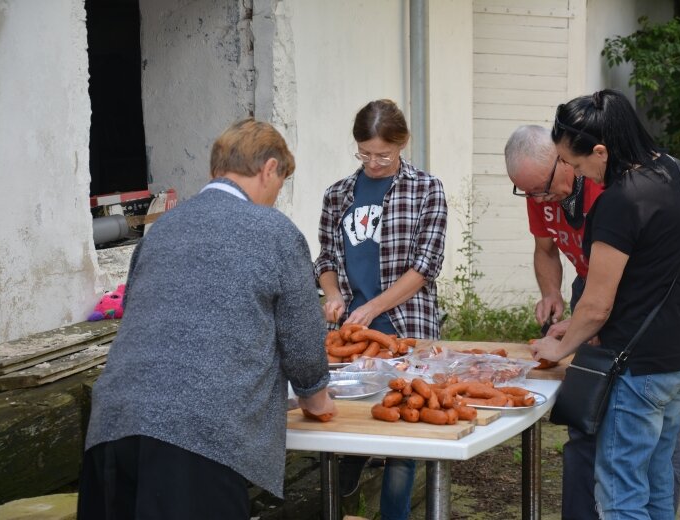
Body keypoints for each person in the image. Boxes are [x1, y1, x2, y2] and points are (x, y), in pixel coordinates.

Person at [78, 119, 336, 520]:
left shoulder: (161, 230)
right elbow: (302, 339)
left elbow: (144, 312)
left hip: (113, 426)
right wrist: (315, 395)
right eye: (280, 185)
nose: (274, 198)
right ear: (269, 169)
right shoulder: (274, 231)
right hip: (198, 440)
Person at [531, 89, 680, 519]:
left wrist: (559, 348)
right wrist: (572, 326)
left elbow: (597, 305)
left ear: (600, 150)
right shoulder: (675, 171)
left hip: (642, 369)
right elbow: (649, 276)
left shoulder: (619, 200)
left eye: (576, 165)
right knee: (656, 481)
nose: (578, 175)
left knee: (620, 494)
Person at [505, 125, 680, 518]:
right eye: (528, 192)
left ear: (563, 160)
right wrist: (551, 293)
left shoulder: (608, 188)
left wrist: (578, 327)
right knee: (585, 418)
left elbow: (622, 286)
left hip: (631, 300)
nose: (539, 198)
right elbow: (545, 249)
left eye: (543, 187)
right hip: (587, 292)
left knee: (644, 424)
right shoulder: (541, 188)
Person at [314, 99, 448, 520]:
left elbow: (426, 266)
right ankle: (348, 479)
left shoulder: (427, 189)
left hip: (406, 324)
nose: (373, 162)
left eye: (382, 154)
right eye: (364, 153)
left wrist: (373, 307)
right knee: (348, 415)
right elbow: (327, 259)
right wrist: (332, 295)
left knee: (403, 429)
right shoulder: (338, 194)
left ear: (402, 143)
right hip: (351, 333)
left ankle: (395, 514)